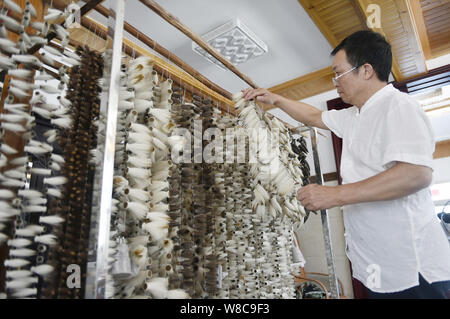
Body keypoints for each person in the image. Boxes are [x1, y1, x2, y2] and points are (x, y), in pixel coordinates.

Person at [242, 30, 450, 299]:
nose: (335, 82)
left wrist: (333, 194)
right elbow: (315, 116)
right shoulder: (355, 116)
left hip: (411, 269)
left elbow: (415, 174)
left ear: (366, 70)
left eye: (338, 73)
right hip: (378, 266)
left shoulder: (398, 107)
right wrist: (277, 100)